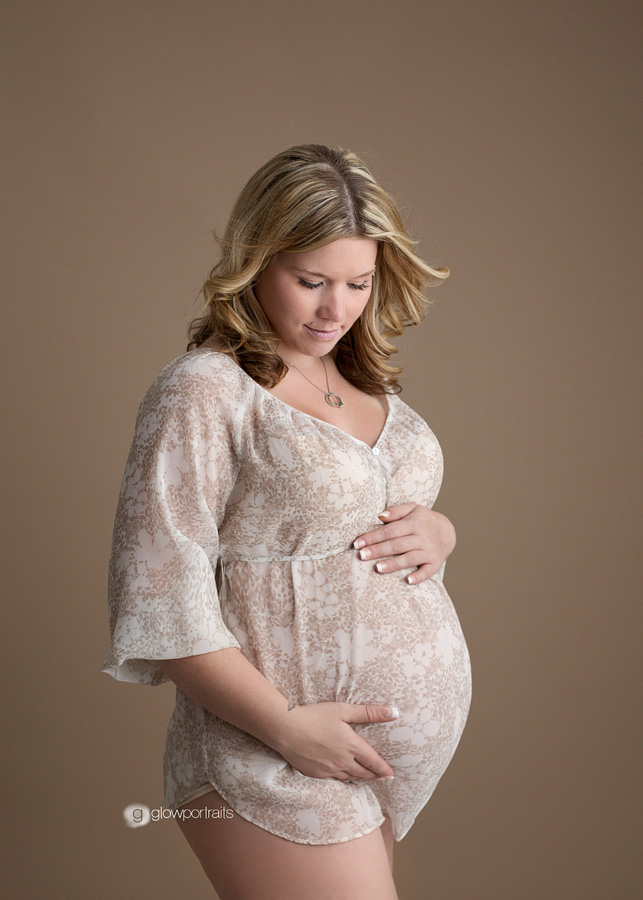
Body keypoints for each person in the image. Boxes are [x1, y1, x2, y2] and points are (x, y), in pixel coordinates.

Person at [102, 144, 471, 899]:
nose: (335, 308)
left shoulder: (360, 379)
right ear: (256, 262)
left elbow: (359, 527)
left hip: (361, 766)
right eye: (310, 282)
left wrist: (442, 532)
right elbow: (158, 597)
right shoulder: (205, 390)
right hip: (269, 750)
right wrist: (284, 727)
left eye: (357, 283)